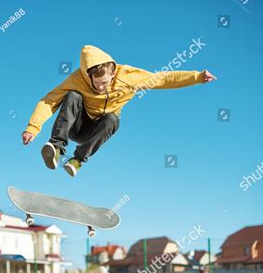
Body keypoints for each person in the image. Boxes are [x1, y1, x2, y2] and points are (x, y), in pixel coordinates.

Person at [22, 45, 216, 177]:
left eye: (104, 83)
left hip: (95, 132)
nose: (99, 88)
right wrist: (32, 128)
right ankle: (56, 148)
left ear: (113, 73)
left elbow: (163, 79)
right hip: (76, 124)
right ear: (86, 75)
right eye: (95, 83)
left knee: (113, 119)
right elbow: (50, 100)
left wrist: (197, 77)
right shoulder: (77, 79)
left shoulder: (130, 77)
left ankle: (77, 161)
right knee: (73, 96)